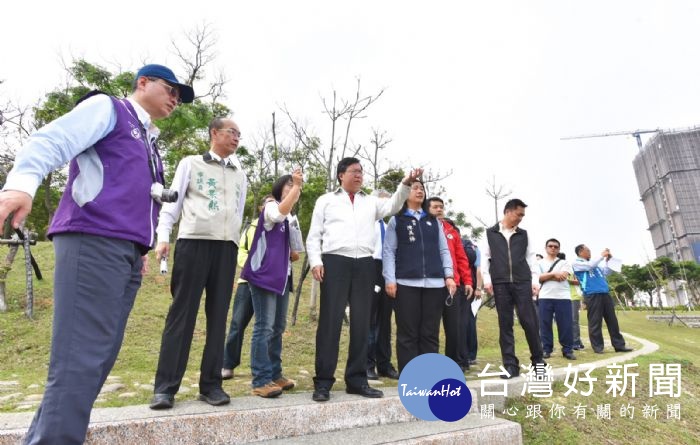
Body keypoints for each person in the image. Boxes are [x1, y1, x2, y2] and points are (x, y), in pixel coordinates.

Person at [0, 63, 193, 444]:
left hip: (124, 253)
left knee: (94, 363)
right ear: (143, 83)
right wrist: (20, 185)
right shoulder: (109, 109)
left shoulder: (149, 141)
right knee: (79, 363)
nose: (175, 99)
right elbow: (51, 140)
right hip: (92, 243)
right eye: (170, 89)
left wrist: (142, 244)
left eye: (179, 96)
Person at [306, 157, 422, 402]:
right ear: (341, 175)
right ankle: (323, 382)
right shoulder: (326, 200)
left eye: (361, 172)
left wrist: (405, 183)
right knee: (330, 324)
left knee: (362, 323)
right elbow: (314, 235)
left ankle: (357, 380)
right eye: (354, 171)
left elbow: (392, 206)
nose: (359, 175)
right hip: (334, 262)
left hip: (365, 265)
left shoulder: (370, 201)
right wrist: (316, 261)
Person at [150, 117, 247, 410]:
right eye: (232, 132)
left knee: (218, 318)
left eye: (239, 135)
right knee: (182, 315)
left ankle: (211, 385)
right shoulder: (190, 163)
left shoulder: (240, 174)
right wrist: (163, 235)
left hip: (226, 248)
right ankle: (165, 388)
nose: (236, 138)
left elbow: (239, 212)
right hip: (194, 243)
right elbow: (173, 203)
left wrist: (234, 242)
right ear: (214, 133)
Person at [241, 170, 303, 397]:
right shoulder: (270, 206)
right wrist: (296, 187)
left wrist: (292, 252)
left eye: (295, 186)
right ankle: (260, 380)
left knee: (277, 328)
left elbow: (292, 249)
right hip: (264, 275)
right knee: (264, 327)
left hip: (282, 277)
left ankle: (275, 373)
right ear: (279, 189)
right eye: (288, 186)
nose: (294, 188)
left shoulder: (290, 217)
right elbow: (277, 214)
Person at [383, 182, 457, 373]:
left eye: (422, 189)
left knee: (430, 333)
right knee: (407, 333)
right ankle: (409, 376)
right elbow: (389, 251)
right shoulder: (397, 220)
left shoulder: (434, 221)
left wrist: (448, 275)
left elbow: (443, 250)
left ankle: (429, 375)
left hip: (434, 284)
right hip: (405, 283)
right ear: (405, 193)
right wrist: (390, 279)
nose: (419, 191)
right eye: (414, 188)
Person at [482, 198, 544, 379]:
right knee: (505, 324)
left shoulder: (524, 234)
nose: (521, 218)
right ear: (508, 212)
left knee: (530, 322)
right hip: (500, 284)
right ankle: (510, 366)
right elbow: (485, 259)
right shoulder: (490, 233)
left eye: (523, 215)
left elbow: (532, 259)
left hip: (522, 282)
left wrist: (535, 281)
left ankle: (538, 363)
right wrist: (487, 280)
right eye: (519, 214)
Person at [221, 197, 271, 380]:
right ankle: (227, 364)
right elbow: (241, 252)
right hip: (247, 281)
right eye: (267, 204)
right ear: (261, 208)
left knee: (267, 327)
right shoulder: (251, 227)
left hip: (269, 283)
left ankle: (264, 367)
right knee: (237, 323)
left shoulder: (280, 227)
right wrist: (253, 268)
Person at [425, 197, 473, 371]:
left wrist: (467, 281)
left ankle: (454, 363)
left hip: (454, 286)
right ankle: (431, 365)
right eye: (435, 207)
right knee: (430, 329)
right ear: (427, 208)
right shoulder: (423, 228)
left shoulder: (451, 230)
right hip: (431, 285)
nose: (439, 210)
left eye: (441, 207)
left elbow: (461, 258)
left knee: (455, 328)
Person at [572, 245, 632, 354]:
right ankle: (598, 347)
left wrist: (609, 261)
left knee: (612, 321)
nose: (590, 252)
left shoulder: (595, 266)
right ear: (581, 252)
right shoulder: (577, 263)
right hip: (592, 294)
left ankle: (619, 345)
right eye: (588, 250)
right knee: (595, 321)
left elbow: (606, 272)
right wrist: (601, 256)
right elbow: (589, 266)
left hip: (605, 293)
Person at [366, 208, 400, 380]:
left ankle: (384, 364)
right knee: (369, 321)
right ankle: (367, 365)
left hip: (387, 271)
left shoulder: (388, 227)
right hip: (369, 267)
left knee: (385, 321)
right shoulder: (365, 224)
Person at [537, 240, 576, 360]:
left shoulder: (565, 263)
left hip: (563, 297)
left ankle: (567, 350)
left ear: (559, 249)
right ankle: (546, 349)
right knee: (545, 324)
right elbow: (538, 277)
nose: (553, 248)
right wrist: (554, 274)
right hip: (545, 296)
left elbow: (563, 276)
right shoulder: (538, 263)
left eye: (556, 247)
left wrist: (547, 276)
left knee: (565, 324)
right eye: (550, 246)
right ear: (546, 248)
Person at [461, 237, 483, 365]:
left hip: (460, 286)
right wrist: (478, 288)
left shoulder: (456, 246)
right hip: (473, 288)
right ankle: (471, 355)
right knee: (470, 321)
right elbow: (478, 270)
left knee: (460, 322)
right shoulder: (475, 249)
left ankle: (462, 353)